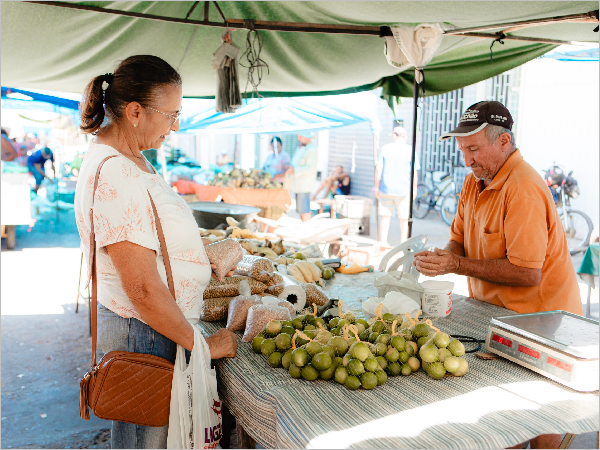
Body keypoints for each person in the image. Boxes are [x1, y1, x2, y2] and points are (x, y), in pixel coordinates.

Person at [74, 55, 237, 449]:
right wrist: (203, 346)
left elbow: (149, 239)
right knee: (145, 443)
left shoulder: (130, 158)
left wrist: (196, 254)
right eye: (171, 115)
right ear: (135, 112)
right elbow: (142, 288)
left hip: (151, 329)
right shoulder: (116, 172)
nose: (175, 126)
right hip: (144, 332)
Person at [413, 101, 583, 450]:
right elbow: (459, 239)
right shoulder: (473, 181)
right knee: (503, 423)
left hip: (543, 323)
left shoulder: (523, 188)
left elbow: (527, 273)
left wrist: (457, 265)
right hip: (499, 318)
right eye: (463, 150)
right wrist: (446, 257)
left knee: (537, 417)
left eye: (474, 149)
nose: (467, 160)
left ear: (504, 141)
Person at [375, 126, 419, 247]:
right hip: (404, 189)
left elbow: (378, 169)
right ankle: (403, 243)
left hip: (386, 188)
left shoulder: (385, 148)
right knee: (404, 219)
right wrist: (414, 188)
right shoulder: (410, 150)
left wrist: (376, 187)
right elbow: (414, 172)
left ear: (395, 135)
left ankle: (383, 242)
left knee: (385, 216)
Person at [287, 132, 318, 222]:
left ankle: (307, 228)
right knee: (301, 211)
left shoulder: (311, 150)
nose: (299, 138)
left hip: (304, 186)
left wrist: (294, 170)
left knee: (304, 210)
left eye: (300, 136)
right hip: (298, 185)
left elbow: (310, 168)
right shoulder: (301, 147)